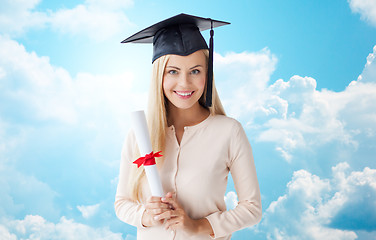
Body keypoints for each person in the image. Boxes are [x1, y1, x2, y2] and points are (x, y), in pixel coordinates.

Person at [115, 14, 262, 240]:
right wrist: (147, 216)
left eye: (195, 71)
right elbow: (122, 203)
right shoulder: (140, 133)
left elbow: (251, 209)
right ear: (159, 76)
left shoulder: (229, 132)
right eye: (173, 71)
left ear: (207, 73)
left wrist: (198, 226)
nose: (184, 83)